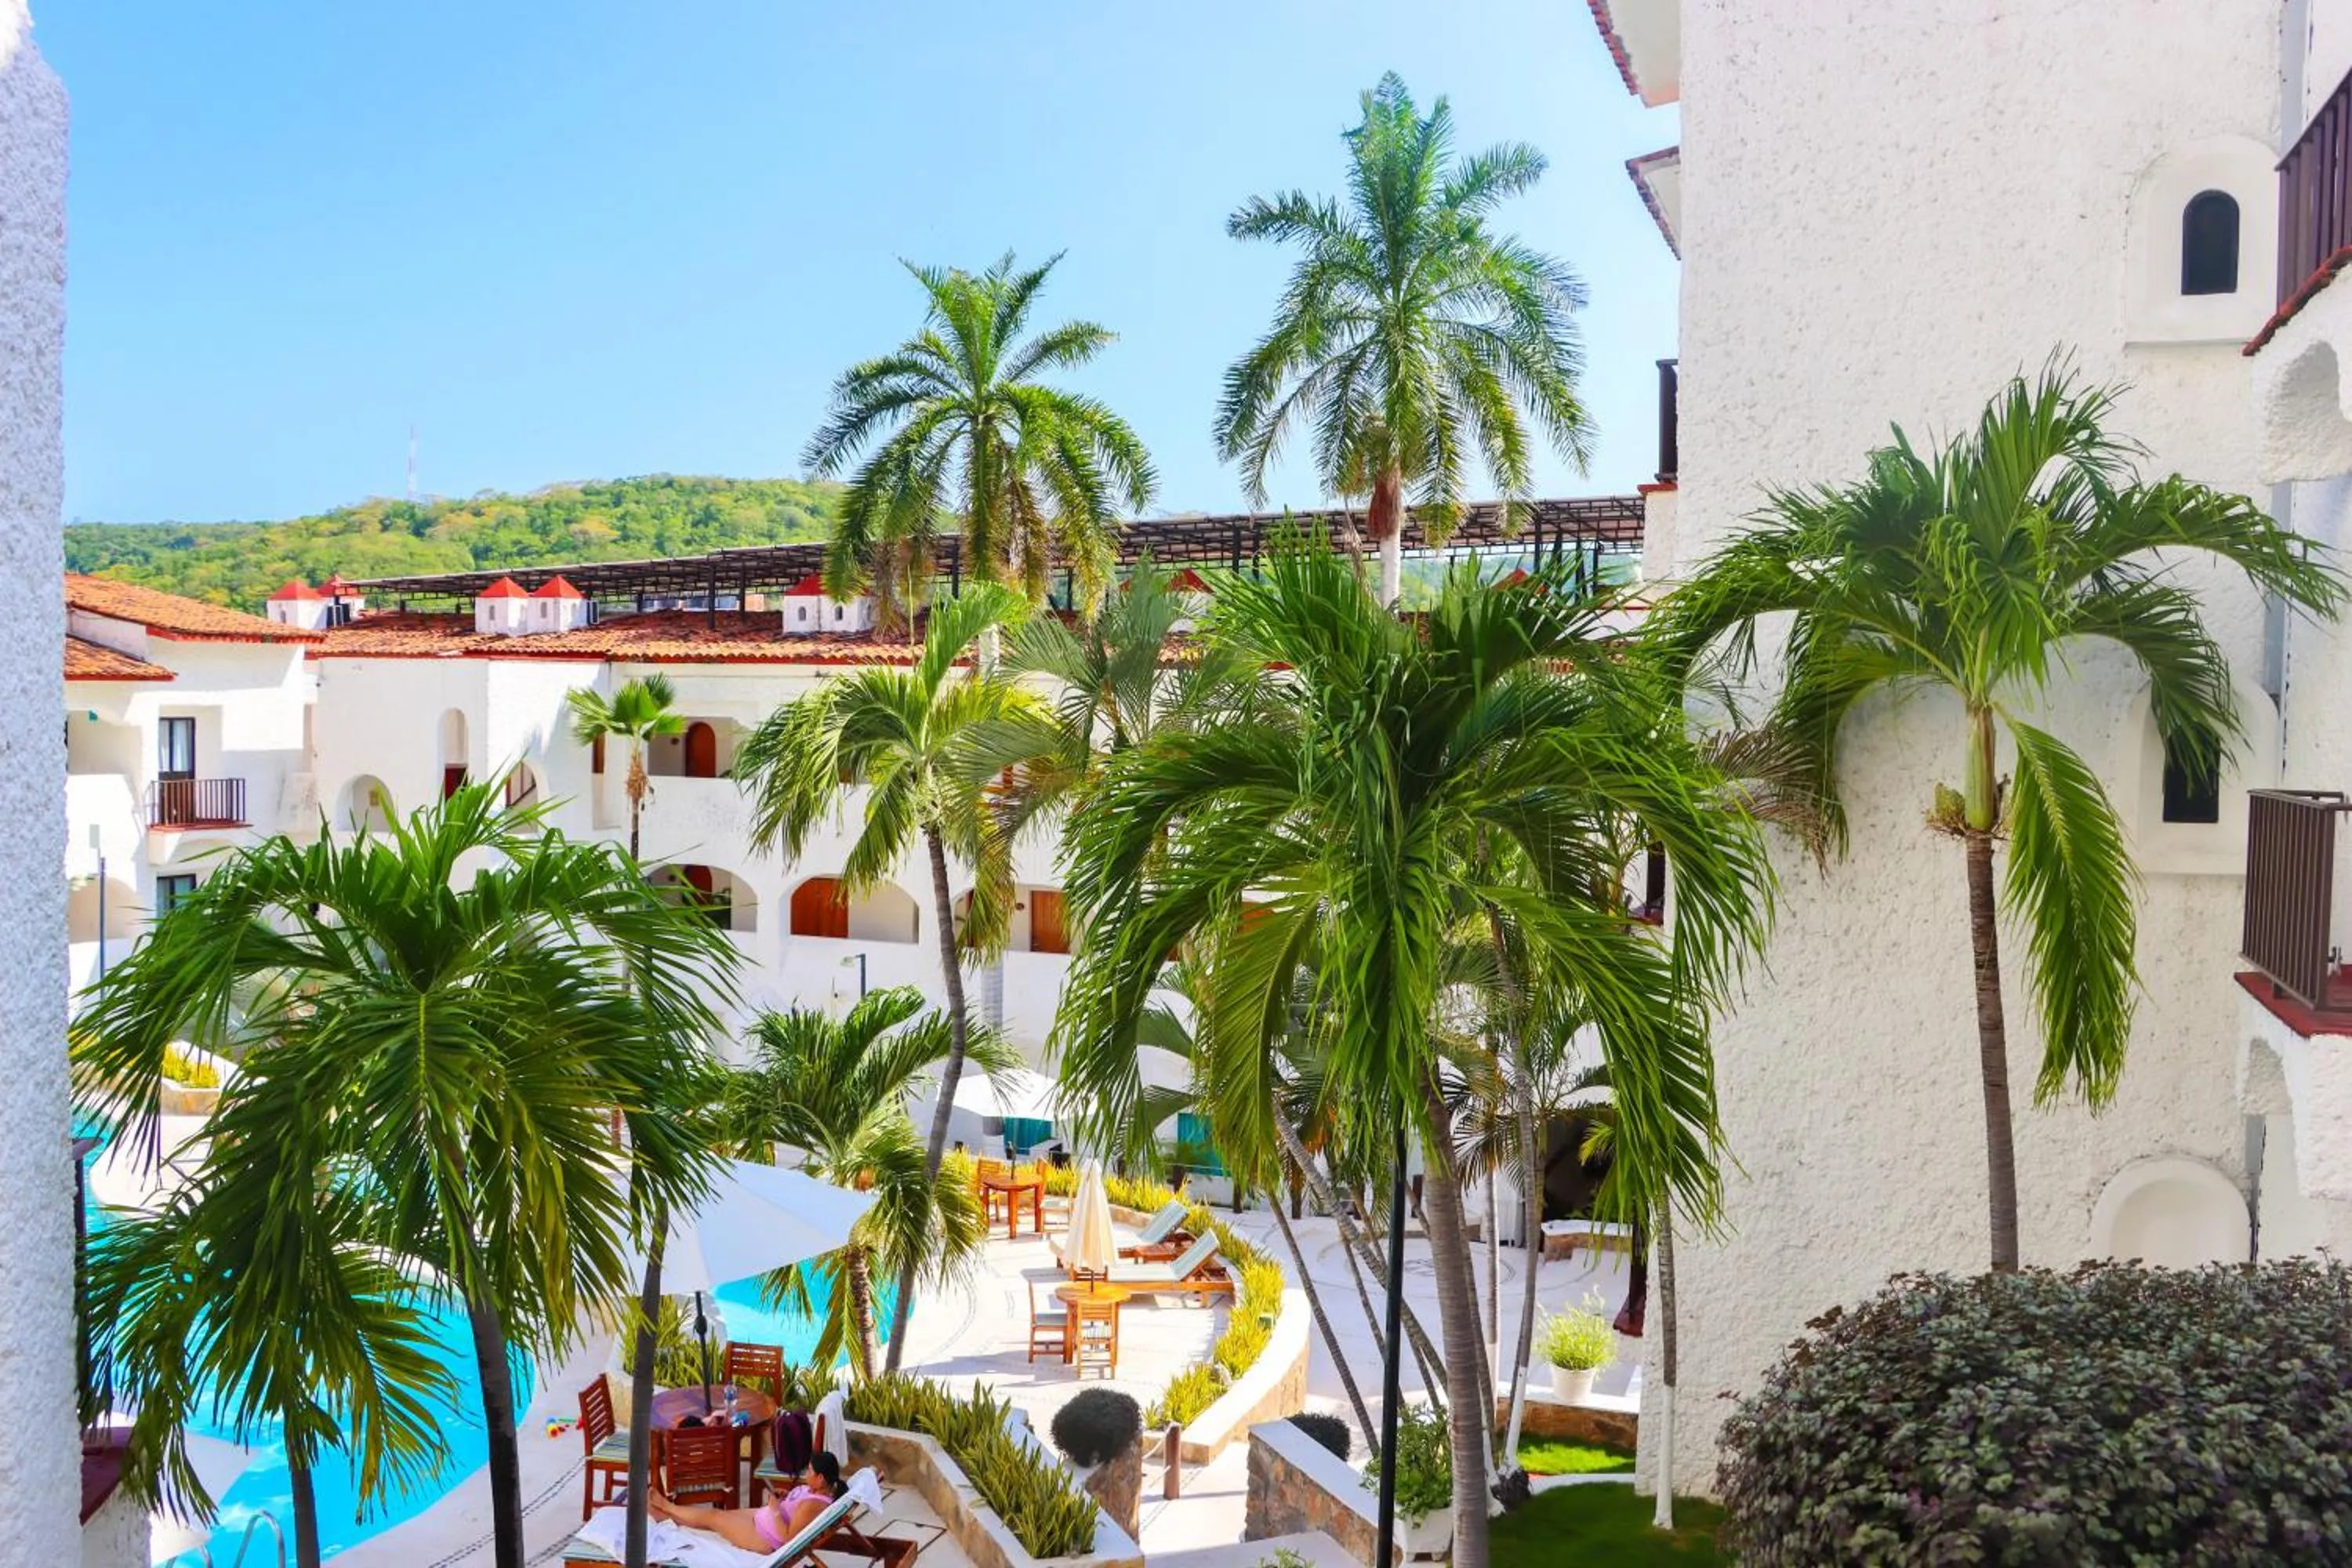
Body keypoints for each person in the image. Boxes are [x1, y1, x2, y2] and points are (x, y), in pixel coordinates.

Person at [648, 1451, 843, 1553]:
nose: (806, 1473)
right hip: (762, 1519)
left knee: (714, 1517)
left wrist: (775, 1510)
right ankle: (665, 1516)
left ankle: (667, 1507)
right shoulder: (816, 1489)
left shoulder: (814, 1506)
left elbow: (787, 1539)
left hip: (765, 1538)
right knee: (715, 1519)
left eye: (810, 1471)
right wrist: (786, 1497)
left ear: (821, 1479)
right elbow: (796, 1507)